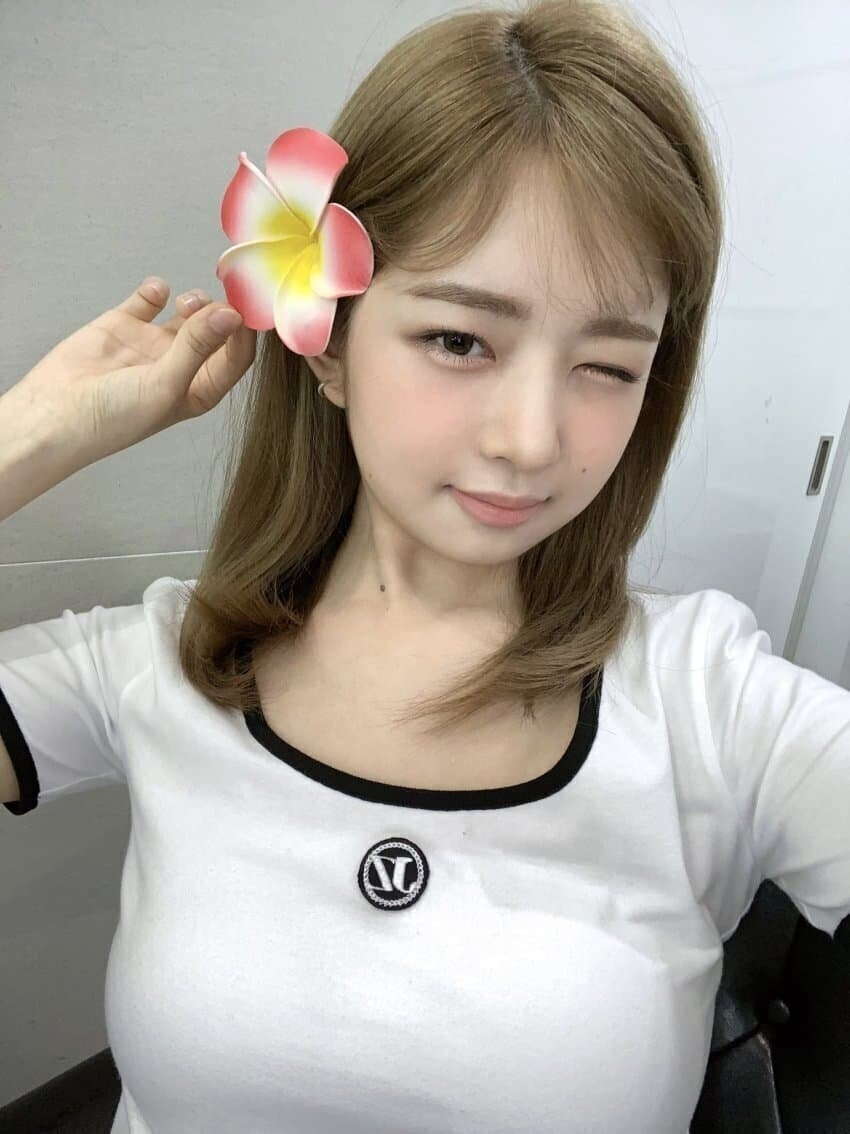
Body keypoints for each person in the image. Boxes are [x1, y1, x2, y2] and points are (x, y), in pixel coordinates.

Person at [1, 1, 848, 1131]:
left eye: (607, 365)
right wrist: (25, 439)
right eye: (460, 340)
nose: (531, 439)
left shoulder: (712, 702)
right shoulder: (165, 661)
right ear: (331, 345)